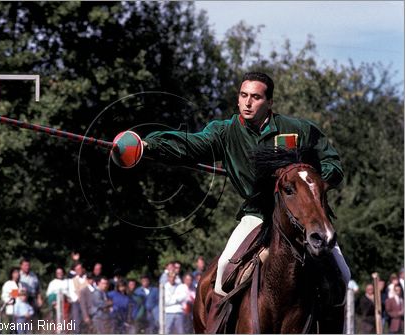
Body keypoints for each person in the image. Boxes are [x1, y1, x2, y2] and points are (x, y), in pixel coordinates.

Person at [142, 72, 350, 296]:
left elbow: (333, 164)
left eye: (256, 97)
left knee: (343, 276)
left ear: (269, 102)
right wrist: (148, 145)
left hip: (304, 215)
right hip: (257, 214)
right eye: (243, 95)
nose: (248, 102)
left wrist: (310, 181)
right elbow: (189, 145)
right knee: (222, 274)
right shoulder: (225, 133)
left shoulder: (299, 129)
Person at [69, 262, 88, 332]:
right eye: (77, 269)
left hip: (87, 303)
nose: (79, 271)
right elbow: (72, 293)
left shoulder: (87, 278)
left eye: (80, 269)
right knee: (76, 321)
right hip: (77, 303)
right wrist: (79, 299)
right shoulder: (72, 280)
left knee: (87, 321)